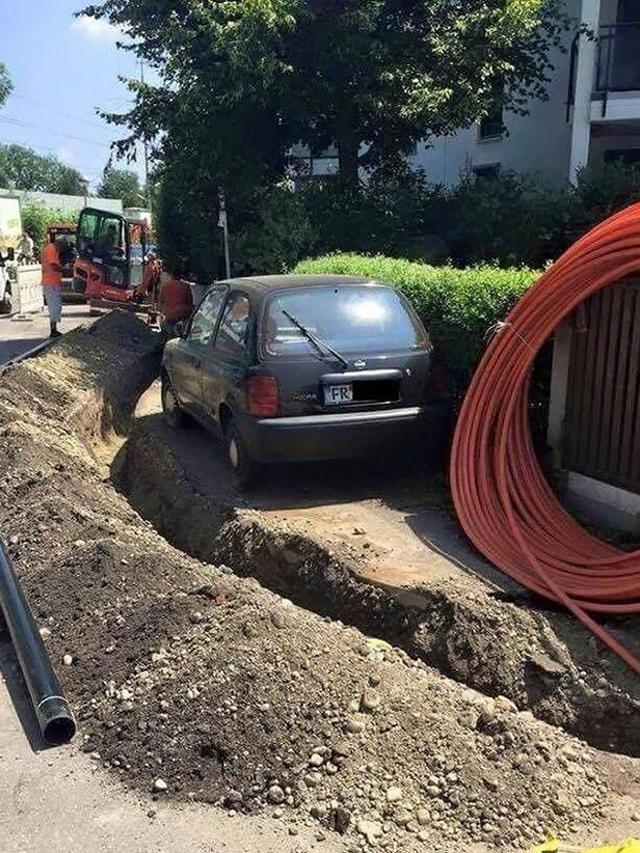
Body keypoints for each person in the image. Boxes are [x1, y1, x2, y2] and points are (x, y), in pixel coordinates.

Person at [41, 235, 66, 337]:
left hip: (53, 282)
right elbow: (53, 265)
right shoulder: (51, 249)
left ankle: (54, 329)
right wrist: (64, 269)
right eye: (63, 246)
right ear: (59, 244)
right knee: (54, 306)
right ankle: (53, 330)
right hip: (50, 283)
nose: (62, 249)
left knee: (56, 306)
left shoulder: (54, 250)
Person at [158, 267, 194, 336]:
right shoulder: (185, 286)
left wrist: (162, 312)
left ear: (172, 276)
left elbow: (160, 301)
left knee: (166, 334)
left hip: (168, 315)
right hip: (181, 315)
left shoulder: (165, 286)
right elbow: (190, 302)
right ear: (180, 276)